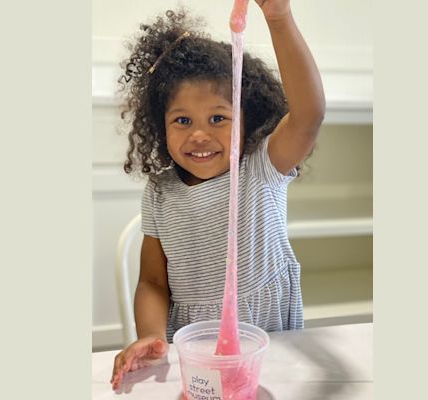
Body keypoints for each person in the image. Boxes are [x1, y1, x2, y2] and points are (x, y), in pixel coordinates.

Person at [111, 0, 325, 390]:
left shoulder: (262, 167)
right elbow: (153, 282)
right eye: (182, 120)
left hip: (271, 341)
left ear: (246, 118)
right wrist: (151, 335)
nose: (199, 134)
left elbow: (308, 116)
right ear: (160, 125)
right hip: (196, 351)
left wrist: (280, 19)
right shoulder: (160, 192)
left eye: (218, 118)